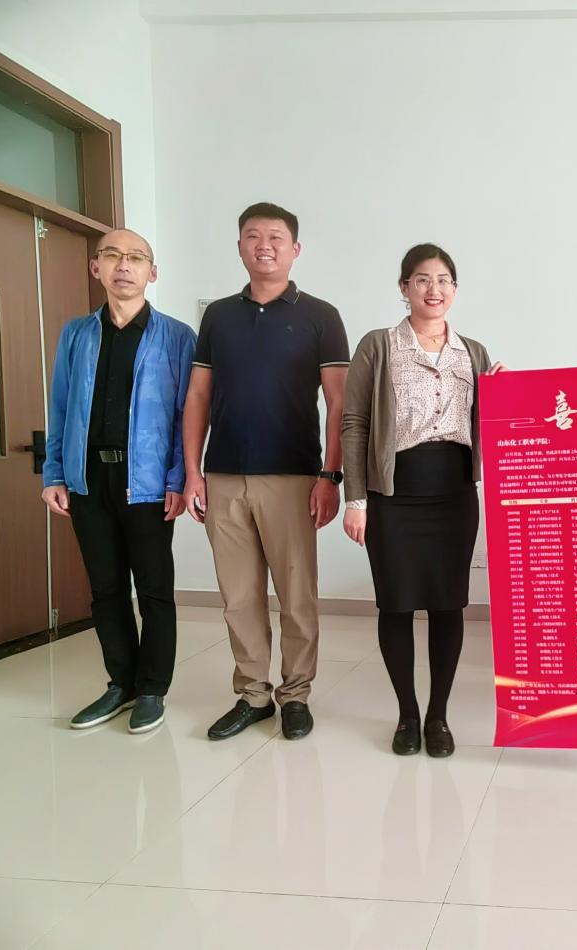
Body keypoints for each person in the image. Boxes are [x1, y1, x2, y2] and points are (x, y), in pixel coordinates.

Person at [183, 202, 349, 742]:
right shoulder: (218, 316)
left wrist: (330, 475)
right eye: (253, 236)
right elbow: (199, 396)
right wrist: (193, 472)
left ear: (295, 249)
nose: (264, 245)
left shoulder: (321, 315)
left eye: (276, 237)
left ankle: (295, 694)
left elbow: (339, 402)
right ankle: (252, 694)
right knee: (238, 596)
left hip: (293, 477)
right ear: (239, 247)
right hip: (224, 476)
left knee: (296, 594)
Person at [341, 243, 504, 757]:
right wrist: (355, 499)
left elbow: (494, 421)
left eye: (443, 280)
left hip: (454, 493)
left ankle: (438, 716)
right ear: (404, 287)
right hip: (394, 494)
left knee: (448, 604)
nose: (434, 290)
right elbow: (355, 422)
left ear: (455, 289)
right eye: (422, 280)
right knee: (396, 602)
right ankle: (407, 715)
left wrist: (505, 393)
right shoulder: (378, 345)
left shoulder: (473, 352)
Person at [42, 229, 195, 734]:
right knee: (106, 590)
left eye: (135, 258)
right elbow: (60, 407)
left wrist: (178, 478)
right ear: (96, 268)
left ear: (152, 272)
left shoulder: (177, 337)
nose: (123, 266)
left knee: (154, 589)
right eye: (112, 256)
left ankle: (152, 689)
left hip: (148, 483)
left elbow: (187, 416)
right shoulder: (76, 334)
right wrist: (54, 472)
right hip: (88, 481)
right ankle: (120, 684)